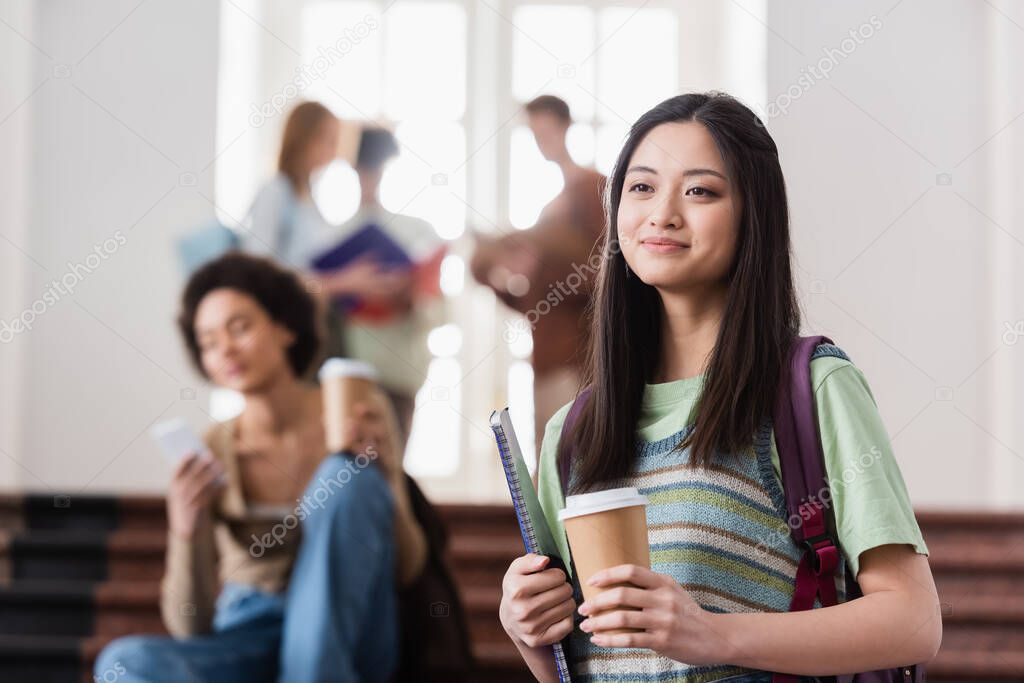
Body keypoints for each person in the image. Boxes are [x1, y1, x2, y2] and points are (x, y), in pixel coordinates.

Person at [498, 93, 941, 681]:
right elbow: (593, 662)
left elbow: (912, 620)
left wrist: (712, 633)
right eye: (642, 187)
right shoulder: (573, 432)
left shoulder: (812, 387)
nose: (663, 214)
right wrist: (530, 631)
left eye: (700, 191)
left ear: (752, 213)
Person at [93, 253, 427, 682]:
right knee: (125, 664)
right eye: (208, 341)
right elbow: (189, 626)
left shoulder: (353, 411)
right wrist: (185, 529)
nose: (225, 349)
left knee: (347, 479)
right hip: (251, 631)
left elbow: (407, 567)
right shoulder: (214, 447)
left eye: (239, 327)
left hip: (350, 631)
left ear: (285, 327)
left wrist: (382, 478)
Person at [470, 95, 605, 456]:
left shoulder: (595, 189)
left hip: (580, 359)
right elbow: (539, 303)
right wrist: (493, 276)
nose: (541, 142)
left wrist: (527, 241)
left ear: (565, 128)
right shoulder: (548, 210)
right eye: (534, 134)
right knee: (550, 468)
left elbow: (606, 273)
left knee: (576, 464)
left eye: (546, 131)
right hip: (545, 358)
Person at [243, 101, 411, 352]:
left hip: (319, 322)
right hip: (286, 329)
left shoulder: (310, 199)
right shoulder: (276, 192)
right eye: (328, 140)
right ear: (303, 138)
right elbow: (261, 275)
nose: (334, 151)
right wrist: (341, 282)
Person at [331, 127, 446, 443]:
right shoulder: (335, 235)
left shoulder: (417, 232)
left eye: (377, 170)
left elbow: (439, 307)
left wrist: (410, 294)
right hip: (349, 372)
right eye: (364, 170)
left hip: (400, 373)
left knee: (393, 471)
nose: (371, 178)